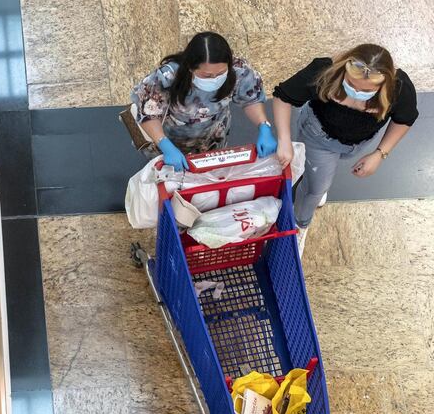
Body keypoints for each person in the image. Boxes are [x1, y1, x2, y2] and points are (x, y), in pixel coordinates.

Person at [272, 44, 418, 253]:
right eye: (351, 84)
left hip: (357, 141)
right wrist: (284, 140)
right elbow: (283, 96)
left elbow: (405, 119)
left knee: (322, 177)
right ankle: (300, 225)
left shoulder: (399, 89)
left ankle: (319, 184)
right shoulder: (323, 73)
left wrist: (380, 153)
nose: (357, 92)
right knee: (314, 189)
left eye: (367, 90)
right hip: (318, 138)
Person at [130, 31, 277, 170]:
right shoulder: (167, 76)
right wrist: (164, 144)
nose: (214, 79)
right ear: (190, 68)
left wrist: (264, 126)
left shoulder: (239, 70)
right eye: (207, 76)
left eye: (220, 73)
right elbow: (148, 113)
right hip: (170, 138)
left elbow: (251, 99)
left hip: (212, 136)